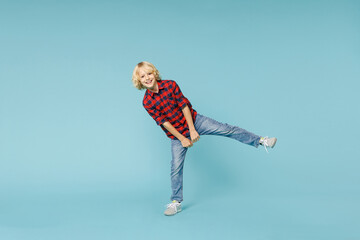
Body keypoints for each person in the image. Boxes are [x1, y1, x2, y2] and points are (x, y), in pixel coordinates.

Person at [132, 61, 277, 216]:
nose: (147, 78)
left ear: (155, 73)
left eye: (149, 73)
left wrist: (193, 129)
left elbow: (184, 106)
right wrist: (182, 138)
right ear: (139, 81)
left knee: (227, 129)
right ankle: (176, 202)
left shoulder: (170, 85)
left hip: (194, 121)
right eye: (143, 76)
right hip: (176, 135)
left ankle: (261, 140)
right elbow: (164, 123)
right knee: (175, 168)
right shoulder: (147, 102)